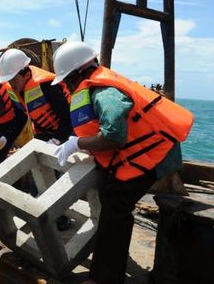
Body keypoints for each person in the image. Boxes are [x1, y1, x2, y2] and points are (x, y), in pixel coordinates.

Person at [51, 41, 193, 284]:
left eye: (66, 80)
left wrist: (79, 144)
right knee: (110, 193)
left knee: (116, 206)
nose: (66, 85)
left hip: (157, 152)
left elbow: (114, 135)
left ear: (76, 74)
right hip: (142, 147)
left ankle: (105, 278)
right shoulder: (97, 83)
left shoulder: (104, 91)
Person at [0, 48, 72, 144]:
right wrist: (6, 138)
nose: (12, 84)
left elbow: (67, 116)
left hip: (66, 132)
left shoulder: (47, 85)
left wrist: (57, 139)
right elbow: (20, 117)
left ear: (27, 75)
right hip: (45, 133)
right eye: (9, 80)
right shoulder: (15, 89)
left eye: (14, 80)